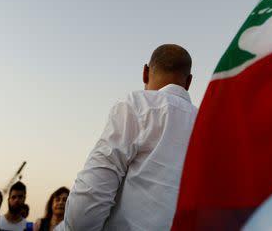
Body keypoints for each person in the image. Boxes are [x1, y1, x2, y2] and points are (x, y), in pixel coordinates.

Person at [63, 44, 198, 230]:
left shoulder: (136, 105)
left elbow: (90, 197)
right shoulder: (209, 124)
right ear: (189, 82)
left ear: (145, 72)